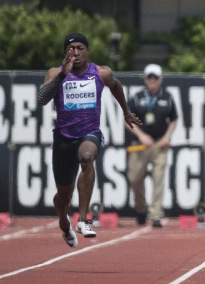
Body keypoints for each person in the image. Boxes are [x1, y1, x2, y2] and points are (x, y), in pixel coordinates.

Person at [37, 33, 141, 247]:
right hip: (63, 139)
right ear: (66, 52)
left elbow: (116, 85)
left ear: (87, 51)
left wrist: (126, 112)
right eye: (71, 48)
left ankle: (83, 219)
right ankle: (63, 223)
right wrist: (60, 77)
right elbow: (41, 99)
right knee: (62, 198)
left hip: (89, 133)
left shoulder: (100, 73)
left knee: (87, 157)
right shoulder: (55, 73)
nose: (75, 52)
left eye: (80, 47)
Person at [126, 64, 178, 228]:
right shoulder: (137, 97)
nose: (152, 80)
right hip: (140, 145)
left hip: (158, 145)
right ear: (145, 79)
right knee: (134, 178)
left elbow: (174, 119)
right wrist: (141, 135)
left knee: (158, 179)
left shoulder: (167, 98)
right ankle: (141, 209)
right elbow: (128, 120)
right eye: (149, 77)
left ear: (161, 79)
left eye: (155, 77)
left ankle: (156, 214)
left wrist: (167, 137)